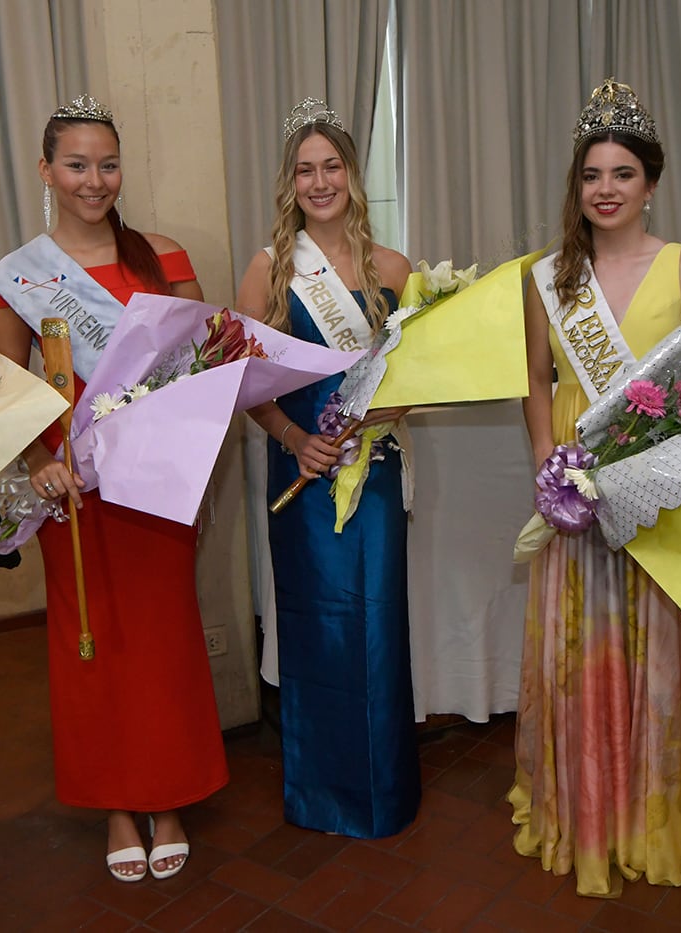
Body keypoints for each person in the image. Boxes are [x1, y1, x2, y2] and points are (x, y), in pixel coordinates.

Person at [509, 77, 681, 898]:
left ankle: (656, 812)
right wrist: (548, 462)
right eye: (591, 176)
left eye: (621, 175)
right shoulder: (548, 279)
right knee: (586, 646)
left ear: (651, 182)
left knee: (657, 643)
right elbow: (535, 379)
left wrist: (657, 474)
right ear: (576, 187)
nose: (604, 191)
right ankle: (589, 811)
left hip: (654, 483)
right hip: (576, 482)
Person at [0, 96, 228, 882]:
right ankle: (118, 801)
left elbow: (199, 371)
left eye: (108, 163)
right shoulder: (20, 276)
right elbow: (11, 392)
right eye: (78, 164)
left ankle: (169, 791)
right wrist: (35, 463)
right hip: (76, 484)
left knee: (163, 632)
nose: (95, 180)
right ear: (47, 171)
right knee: (91, 635)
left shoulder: (164, 256)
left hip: (155, 479)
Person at [234, 98, 418, 838]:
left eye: (331, 166)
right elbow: (242, 378)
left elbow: (414, 379)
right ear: (290, 183)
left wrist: (387, 414)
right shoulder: (270, 268)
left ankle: (384, 790)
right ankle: (319, 793)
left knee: (378, 627)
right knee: (318, 631)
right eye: (305, 170)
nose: (320, 181)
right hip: (303, 476)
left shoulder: (395, 268)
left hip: (371, 476)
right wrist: (289, 436)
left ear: (352, 174)